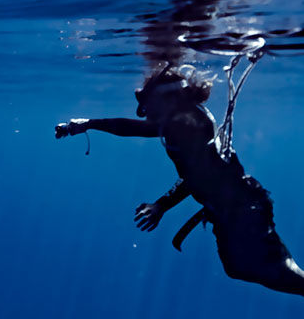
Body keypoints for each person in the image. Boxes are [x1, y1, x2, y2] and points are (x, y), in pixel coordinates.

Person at [55, 66, 304, 296]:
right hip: (234, 208)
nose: (144, 111)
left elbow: (132, 128)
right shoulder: (182, 121)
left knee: (271, 269)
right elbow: (194, 176)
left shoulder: (187, 122)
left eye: (147, 103)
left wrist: (89, 124)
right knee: (240, 268)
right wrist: (161, 205)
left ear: (167, 98)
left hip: (240, 209)